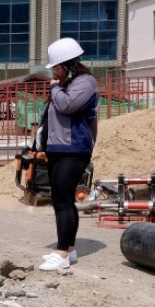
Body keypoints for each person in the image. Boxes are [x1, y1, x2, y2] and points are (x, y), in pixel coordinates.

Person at [38, 37, 98, 272]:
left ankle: (62, 253)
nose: (54, 72)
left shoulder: (86, 83)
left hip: (75, 149)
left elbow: (68, 106)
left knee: (63, 201)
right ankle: (69, 250)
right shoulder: (66, 86)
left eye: (56, 67)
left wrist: (54, 88)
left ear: (68, 65)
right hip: (58, 149)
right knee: (60, 200)